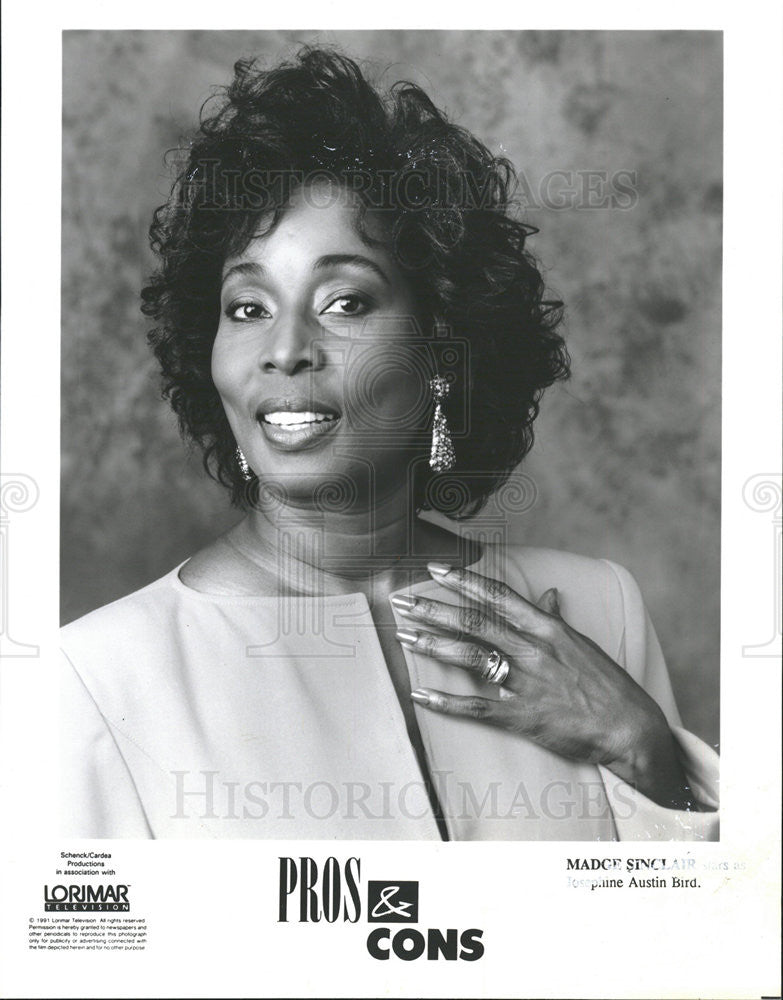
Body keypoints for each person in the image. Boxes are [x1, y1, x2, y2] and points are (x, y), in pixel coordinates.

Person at [60, 46, 718, 840]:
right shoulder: (96, 679)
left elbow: (682, 954)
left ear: (439, 344)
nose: (285, 348)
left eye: (343, 301)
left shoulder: (598, 609)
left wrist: (643, 754)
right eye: (246, 307)